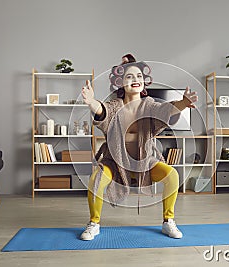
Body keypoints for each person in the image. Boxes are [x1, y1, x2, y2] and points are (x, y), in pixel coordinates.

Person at [79, 54, 198, 241]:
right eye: (129, 76)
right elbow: (102, 110)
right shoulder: (114, 106)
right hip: (115, 164)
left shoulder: (149, 105)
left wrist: (183, 103)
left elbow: (165, 111)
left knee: (172, 175)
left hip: (145, 163)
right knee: (97, 179)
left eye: (139, 76)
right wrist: (91, 102)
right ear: (120, 83)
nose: (136, 80)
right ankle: (94, 223)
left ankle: (168, 221)